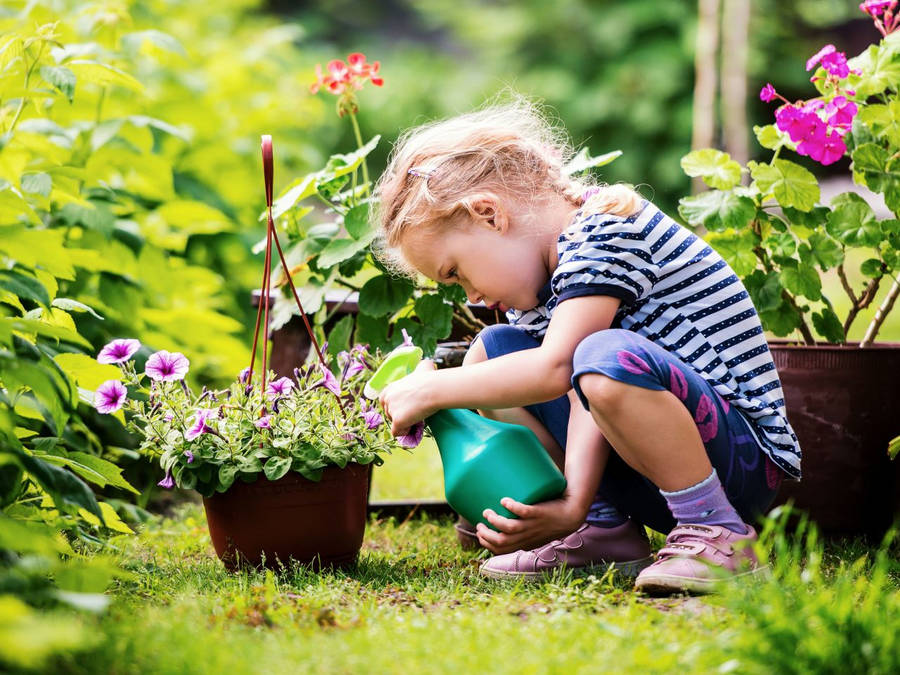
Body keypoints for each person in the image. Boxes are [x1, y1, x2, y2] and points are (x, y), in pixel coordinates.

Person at [372, 97, 800, 595]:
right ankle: (605, 531)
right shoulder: (544, 284)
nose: (469, 295)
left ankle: (721, 533)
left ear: (489, 214)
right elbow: (578, 394)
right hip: (650, 463)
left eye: (455, 272)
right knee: (495, 351)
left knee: (603, 356)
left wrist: (432, 390)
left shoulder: (606, 230)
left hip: (742, 466)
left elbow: (560, 370)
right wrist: (577, 504)